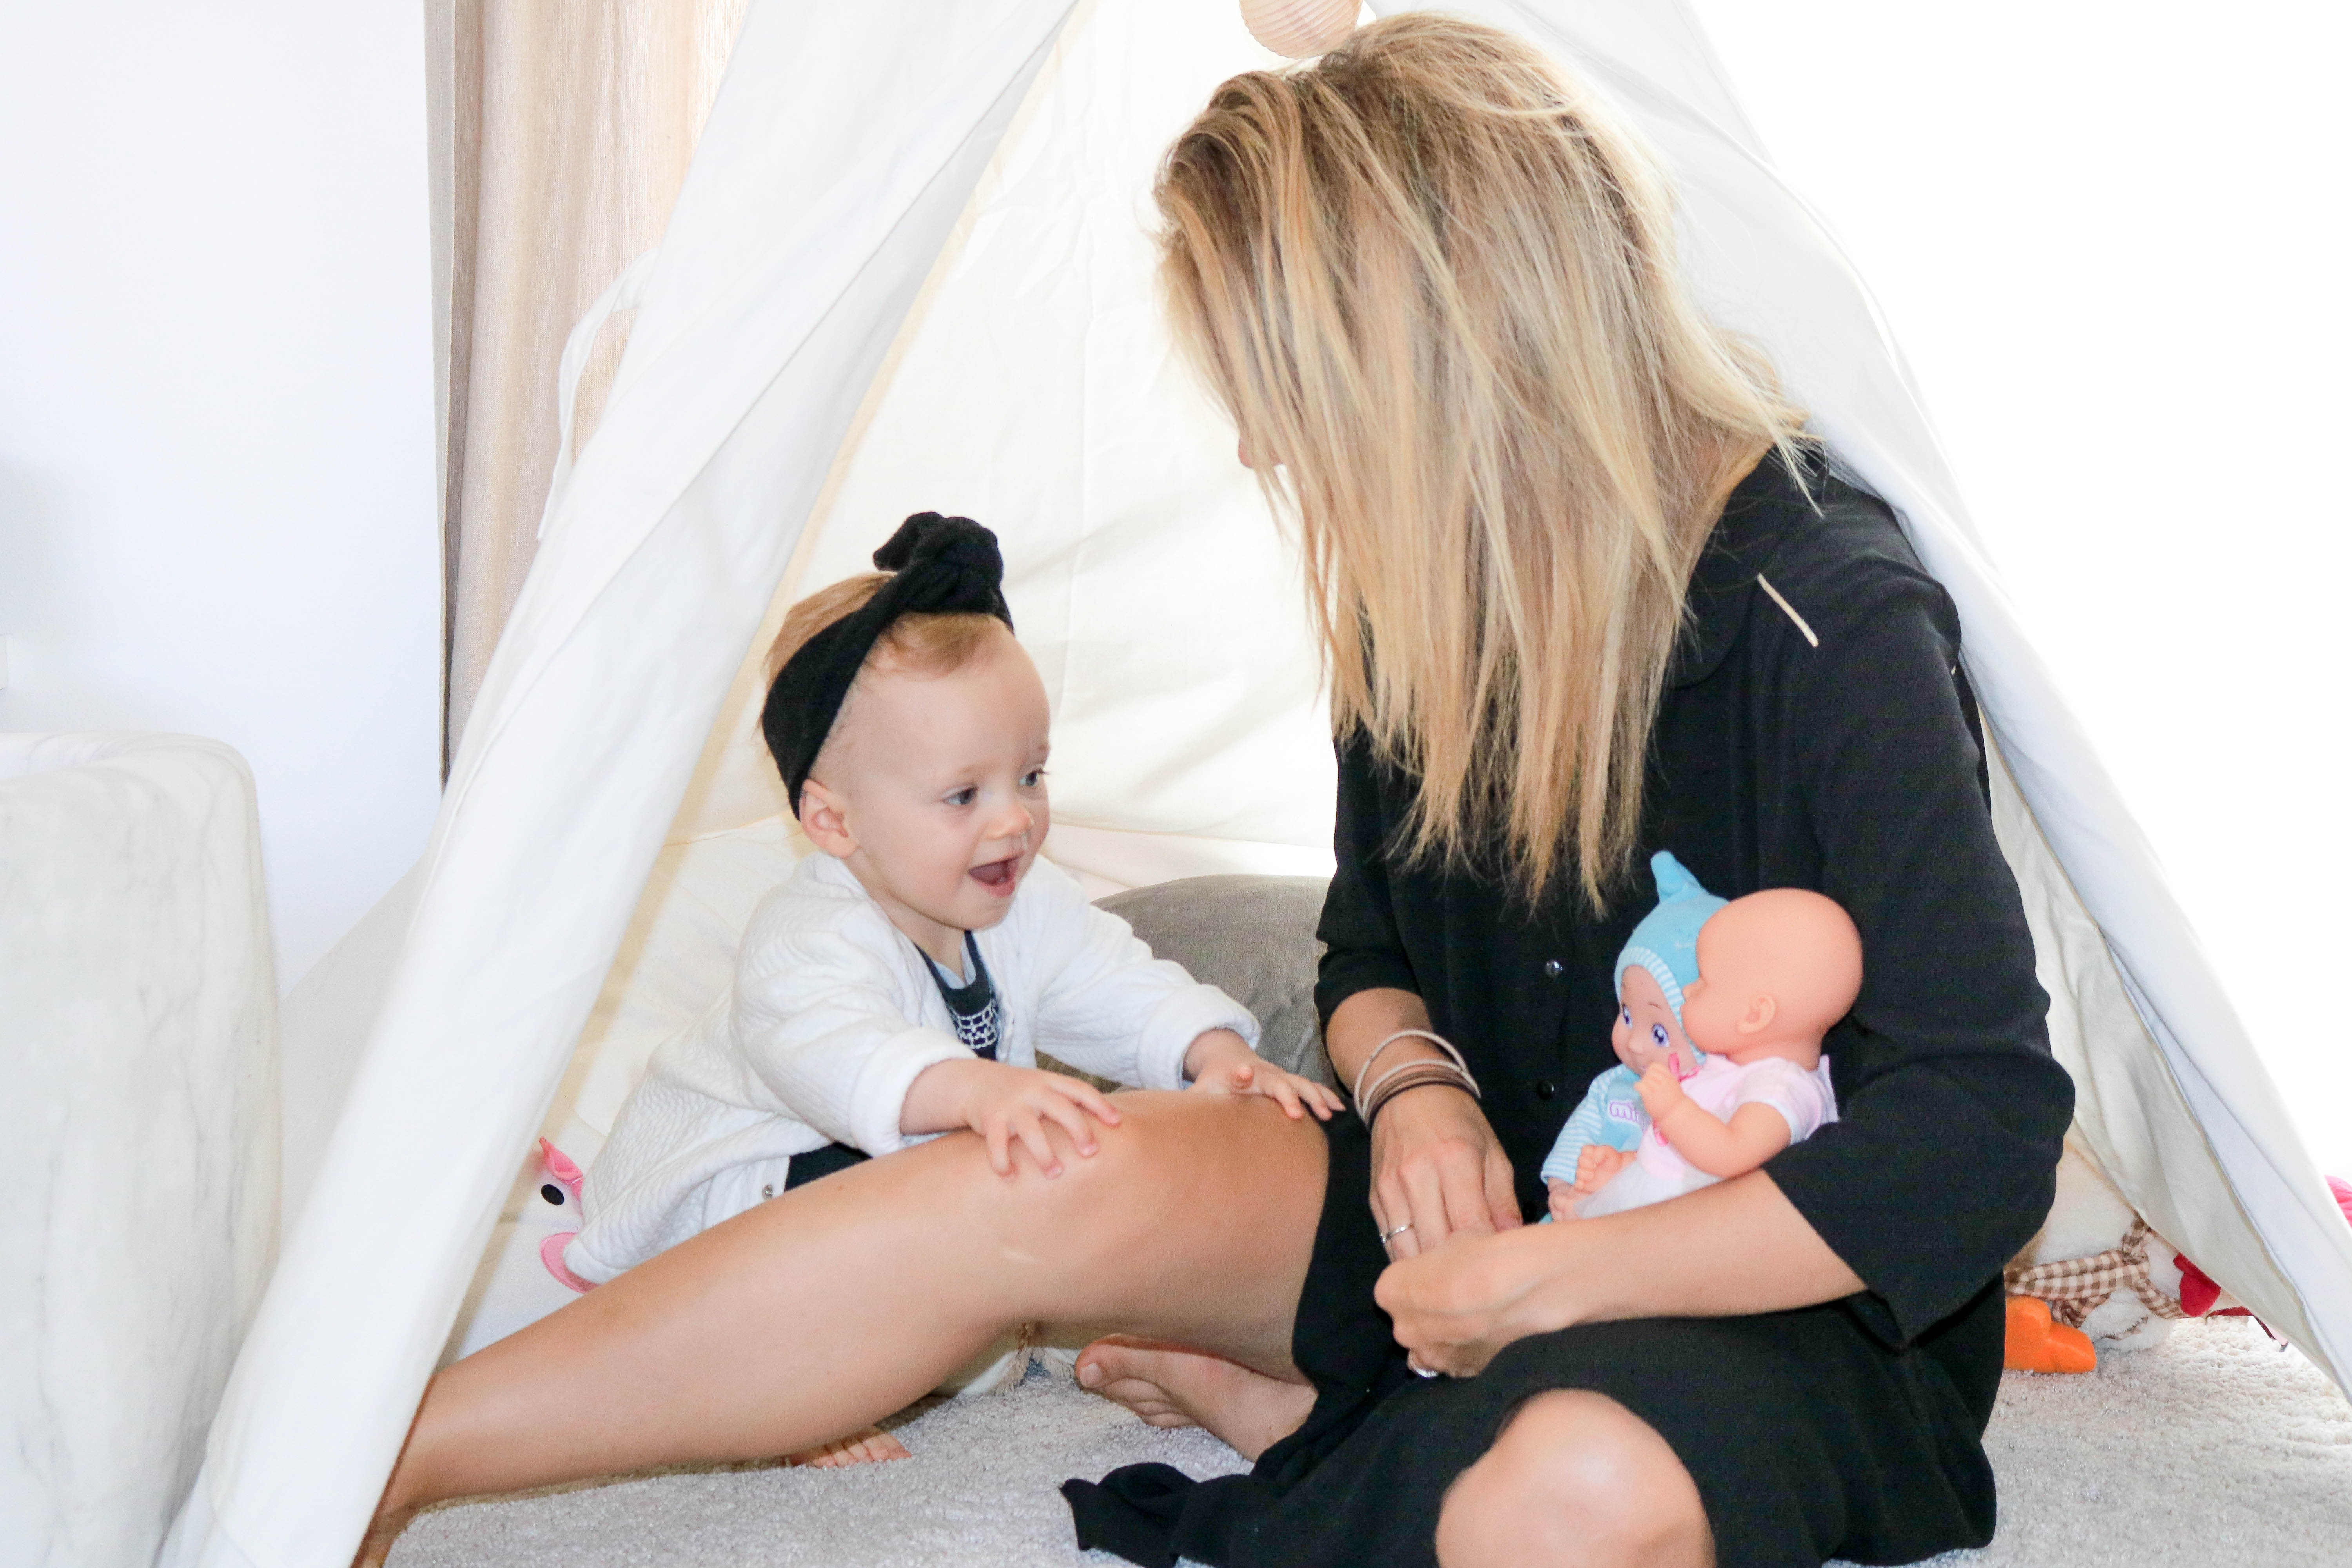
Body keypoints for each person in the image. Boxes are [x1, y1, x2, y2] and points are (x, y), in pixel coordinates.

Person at [356, 18, 2072, 1568]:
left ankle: (1324, 1427)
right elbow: (1367, 952)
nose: (1260, 450)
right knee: (1047, 1165)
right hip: (1465, 1223)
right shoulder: (1427, 593)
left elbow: (1975, 1126)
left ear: (1439, 369)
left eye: (1281, 403)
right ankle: (389, 1454)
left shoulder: (1826, 618)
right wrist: (1416, 1092)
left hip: (1763, 1296)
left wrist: (1556, 1275)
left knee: (1560, 1495)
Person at [564, 510, 1340, 1466]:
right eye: (964, 794)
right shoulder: (810, 935)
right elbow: (836, 1053)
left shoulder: (1024, 904)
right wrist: (979, 1089)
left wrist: (1211, 1054)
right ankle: (789, 1394)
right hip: (743, 1201)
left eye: (1032, 774)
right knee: (864, 1190)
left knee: (1083, 1168)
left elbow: (1113, 981)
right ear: (834, 821)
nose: (1014, 820)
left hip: (923, 1203)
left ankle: (1135, 1343)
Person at [1568, 883, 1857, 1220]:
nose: (1688, 990)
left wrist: (1674, 1110)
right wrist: (1625, 1166)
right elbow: (1682, 1163)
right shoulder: (1726, 1068)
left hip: (1692, 1237)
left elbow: (1732, 1155)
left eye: (1703, 981)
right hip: (1660, 1220)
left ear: (1754, 1015)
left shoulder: (1781, 1090)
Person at [1536, 851, 1721, 1220]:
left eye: (1659, 1033)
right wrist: (1564, 1190)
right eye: (1627, 1014)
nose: (1635, 1043)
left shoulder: (1711, 1104)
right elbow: (1576, 1139)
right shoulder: (1613, 1085)